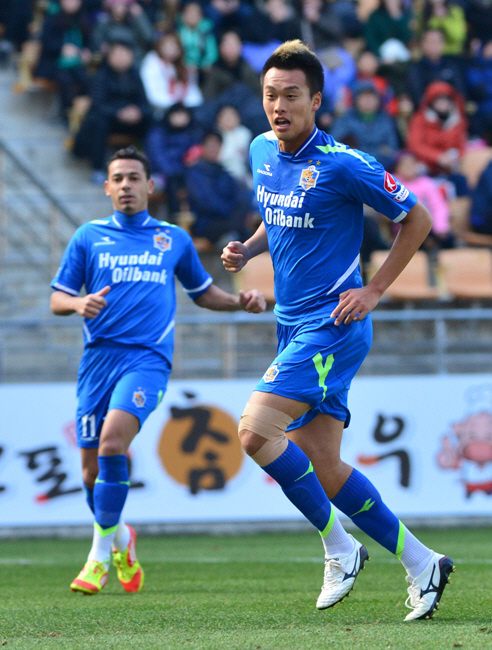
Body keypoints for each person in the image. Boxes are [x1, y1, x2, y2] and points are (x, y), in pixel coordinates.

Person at [221, 39, 455, 621]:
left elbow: (418, 217)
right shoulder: (261, 149)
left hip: (333, 324)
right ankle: (423, 562)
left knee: (255, 432)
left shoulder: (346, 164)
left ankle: (339, 546)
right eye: (270, 95)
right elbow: (277, 213)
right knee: (323, 468)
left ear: (316, 101)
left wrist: (374, 290)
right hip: (291, 325)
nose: (279, 106)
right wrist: (248, 248)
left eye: (291, 95)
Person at [50, 146, 266, 595]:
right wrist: (77, 303)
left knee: (113, 443)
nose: (126, 185)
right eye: (118, 179)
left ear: (149, 186)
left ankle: (96, 559)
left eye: (134, 177)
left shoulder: (173, 239)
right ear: (107, 188)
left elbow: (202, 292)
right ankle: (121, 539)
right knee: (90, 473)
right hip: (97, 361)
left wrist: (238, 302)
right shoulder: (88, 237)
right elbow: (57, 298)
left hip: (146, 360)